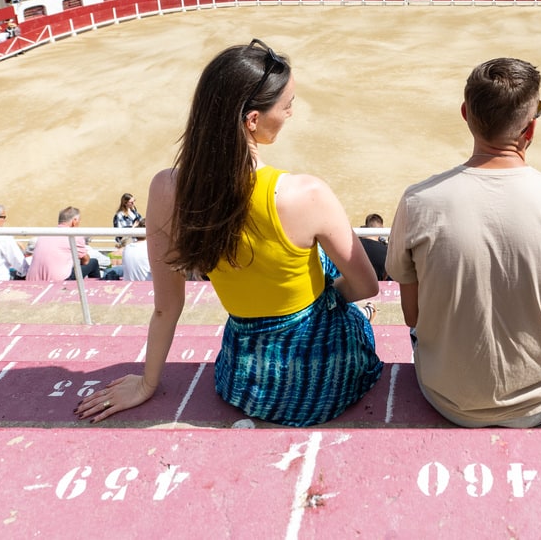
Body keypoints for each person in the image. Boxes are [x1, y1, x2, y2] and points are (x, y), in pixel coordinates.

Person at [76, 39, 379, 427]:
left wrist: (147, 384)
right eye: (286, 106)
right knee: (329, 272)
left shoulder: (166, 189)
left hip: (245, 380)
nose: (289, 114)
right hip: (322, 376)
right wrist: (335, 304)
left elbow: (167, 307)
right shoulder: (306, 194)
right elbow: (366, 285)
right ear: (252, 119)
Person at [387, 57, 541, 428]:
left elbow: (413, 317)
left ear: (465, 114)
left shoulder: (417, 202)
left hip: (445, 395)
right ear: (531, 129)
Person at [26, 207, 102, 281]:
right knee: (93, 262)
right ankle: (97, 289)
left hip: (32, 279)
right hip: (59, 281)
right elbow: (85, 261)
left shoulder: (44, 235)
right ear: (74, 221)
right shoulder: (75, 236)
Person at [359, 213, 389, 281]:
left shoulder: (354, 246)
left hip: (353, 288)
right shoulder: (387, 252)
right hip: (376, 289)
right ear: (382, 229)